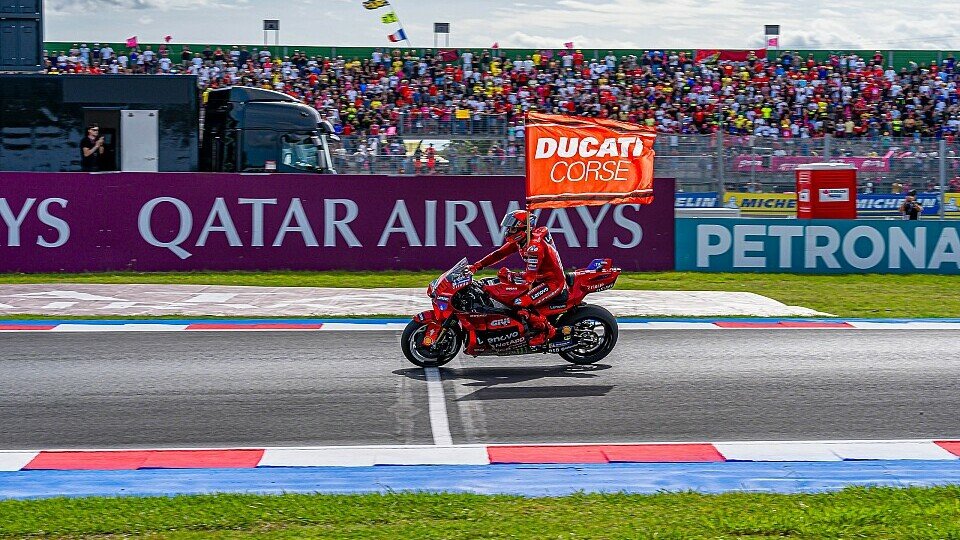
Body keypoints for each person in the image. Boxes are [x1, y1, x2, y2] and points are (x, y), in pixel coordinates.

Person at [468, 210, 567, 347]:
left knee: (521, 302)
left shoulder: (534, 248)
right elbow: (499, 254)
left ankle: (546, 332)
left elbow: (528, 279)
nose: (508, 231)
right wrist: (476, 266)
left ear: (523, 229)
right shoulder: (522, 241)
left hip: (552, 283)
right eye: (509, 228)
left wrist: (509, 275)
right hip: (540, 279)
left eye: (512, 228)